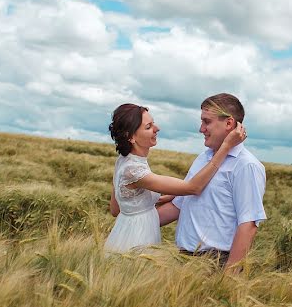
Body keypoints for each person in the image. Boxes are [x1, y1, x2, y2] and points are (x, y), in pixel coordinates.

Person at [104, 103, 246, 253]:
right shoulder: (134, 170)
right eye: (148, 127)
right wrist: (226, 147)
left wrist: (148, 202)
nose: (156, 128)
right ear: (130, 137)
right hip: (137, 239)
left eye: (153, 123)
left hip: (125, 232)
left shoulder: (123, 161)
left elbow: (116, 209)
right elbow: (194, 187)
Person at [157, 93, 267, 270]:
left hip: (216, 263)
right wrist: (135, 222)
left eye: (206, 121)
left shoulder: (247, 165)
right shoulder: (204, 158)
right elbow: (180, 205)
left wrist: (229, 278)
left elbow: (248, 224)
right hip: (184, 259)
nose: (201, 129)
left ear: (229, 123)